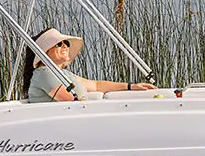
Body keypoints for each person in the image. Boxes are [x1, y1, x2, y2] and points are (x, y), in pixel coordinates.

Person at [18, 27, 155, 102]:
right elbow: (70, 100)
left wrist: (131, 86)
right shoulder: (44, 73)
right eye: (58, 44)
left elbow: (96, 85)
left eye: (66, 43)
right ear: (45, 52)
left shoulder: (64, 74)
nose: (64, 46)